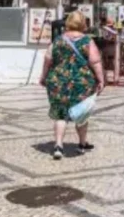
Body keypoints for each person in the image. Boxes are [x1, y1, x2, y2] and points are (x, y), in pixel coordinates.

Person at [40, 11, 105, 160]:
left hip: (59, 81)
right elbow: (95, 62)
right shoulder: (87, 41)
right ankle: (82, 144)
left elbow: (48, 59)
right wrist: (101, 80)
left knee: (60, 114)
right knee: (82, 113)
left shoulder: (58, 40)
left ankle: (58, 146)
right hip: (81, 82)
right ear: (83, 23)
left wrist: (43, 77)